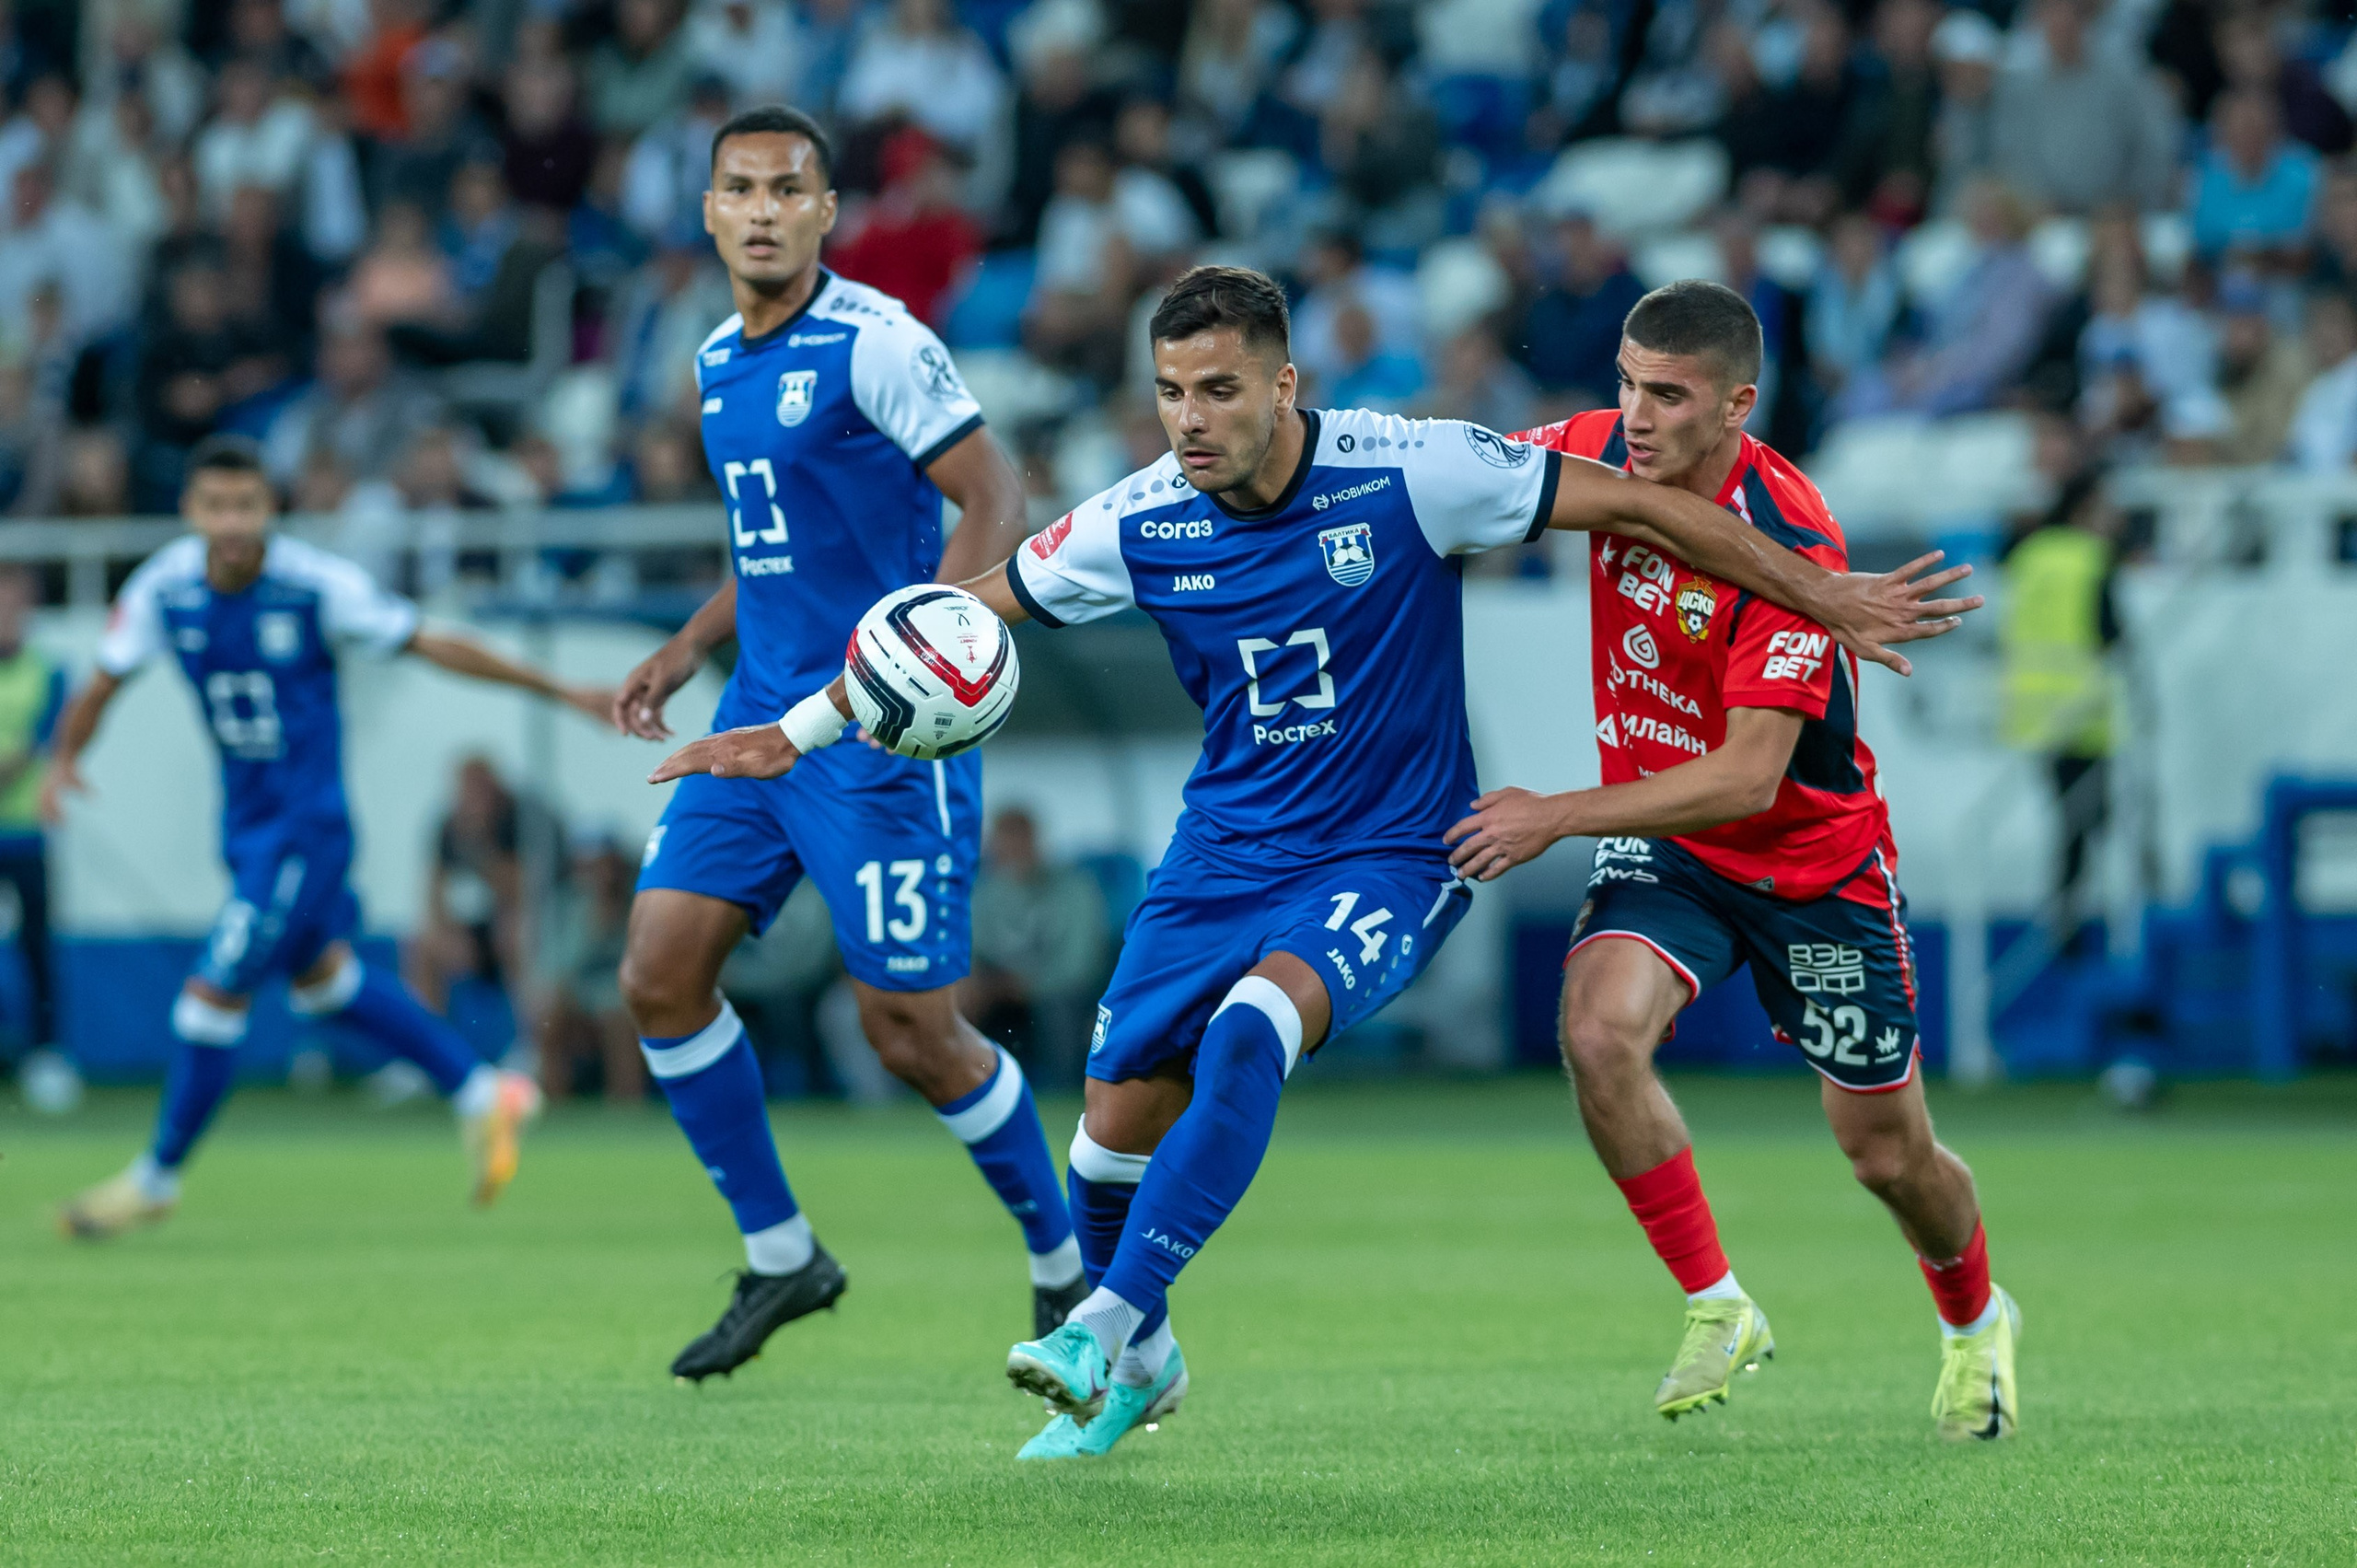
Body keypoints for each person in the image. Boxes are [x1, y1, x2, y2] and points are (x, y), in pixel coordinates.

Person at [649, 264, 1981, 1460]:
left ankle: (1101, 1321)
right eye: (1170, 392)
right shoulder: (1136, 520)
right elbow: (963, 613)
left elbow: (1646, 510)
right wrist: (798, 727)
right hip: (1224, 849)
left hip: (1402, 846)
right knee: (1108, 1127)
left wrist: (1824, 590)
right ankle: (1145, 1361)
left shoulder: (1414, 469)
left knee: (1253, 1030)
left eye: (1219, 390)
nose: (1190, 419)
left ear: (1285, 384)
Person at [1446, 281, 2018, 1441]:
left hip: (1812, 866)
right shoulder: (1594, 449)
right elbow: (1452, 484)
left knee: (1885, 1155)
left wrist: (1556, 812)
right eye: (1625, 384)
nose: (1634, 415)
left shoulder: (1795, 543)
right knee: (1597, 1029)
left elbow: (1748, 778)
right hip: (1671, 848)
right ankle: (1717, 1300)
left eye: (1667, 395)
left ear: (1735, 406)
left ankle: (1974, 1317)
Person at [605, 107, 1074, 1385]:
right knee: (657, 974)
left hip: (877, 738)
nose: (762, 209)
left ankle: (1064, 1260)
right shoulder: (716, 357)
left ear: (825, 211)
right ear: (710, 211)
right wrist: (689, 643)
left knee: (910, 1031)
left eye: (787, 189)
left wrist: (934, 659)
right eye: (740, 188)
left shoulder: (878, 341)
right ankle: (781, 1254)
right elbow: (776, 549)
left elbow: (996, 493)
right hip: (754, 717)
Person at [50, 436, 613, 1239]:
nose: (232, 523)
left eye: (247, 505)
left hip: (304, 832)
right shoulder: (163, 587)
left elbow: (430, 641)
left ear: (272, 507)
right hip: (244, 828)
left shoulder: (316, 585)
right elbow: (105, 679)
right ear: (189, 510)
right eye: (216, 506)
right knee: (325, 982)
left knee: (211, 994)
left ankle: (156, 1178)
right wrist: (65, 758)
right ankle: (485, 1092)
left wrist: (559, 690)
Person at [964, 806, 1108, 1089]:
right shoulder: (984, 891)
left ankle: (1065, 1090)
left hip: (1060, 991)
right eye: (1003, 839)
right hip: (997, 989)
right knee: (956, 998)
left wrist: (1031, 985)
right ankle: (965, 1090)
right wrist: (983, 983)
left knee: (1060, 1009)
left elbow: (1081, 963)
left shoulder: (1074, 887)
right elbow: (972, 950)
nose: (1011, 848)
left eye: (1019, 838)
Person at [0, 564, 64, 1063]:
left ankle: (45, 1052)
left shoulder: (49, 671)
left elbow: (44, 737)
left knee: (36, 946)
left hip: (26, 831)